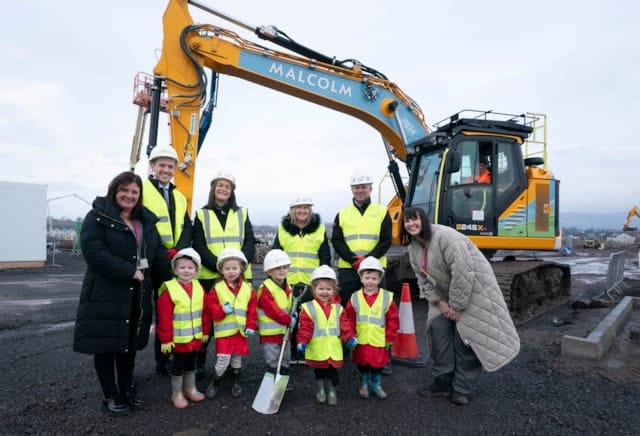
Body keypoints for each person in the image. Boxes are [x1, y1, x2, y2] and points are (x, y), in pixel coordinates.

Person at [73, 171, 172, 416]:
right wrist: (129, 271)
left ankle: (127, 389)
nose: (129, 195)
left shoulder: (145, 222)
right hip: (106, 293)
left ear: (139, 196)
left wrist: (171, 283)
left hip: (137, 293)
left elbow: (158, 254)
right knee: (106, 346)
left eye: (134, 192)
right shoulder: (97, 217)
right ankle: (110, 394)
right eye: (124, 190)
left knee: (128, 345)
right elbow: (94, 252)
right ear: (114, 191)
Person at [402, 206, 520, 406]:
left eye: (415, 219)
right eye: (407, 221)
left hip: (474, 292)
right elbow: (422, 279)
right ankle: (442, 382)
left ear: (424, 219)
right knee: (438, 333)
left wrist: (456, 306)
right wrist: (441, 304)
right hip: (443, 297)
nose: (411, 224)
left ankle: (462, 389)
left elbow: (463, 274)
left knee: (465, 340)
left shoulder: (447, 238)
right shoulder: (413, 248)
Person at [192, 170, 256, 376]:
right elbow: (199, 244)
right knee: (208, 321)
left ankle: (231, 364)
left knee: (235, 319)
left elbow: (248, 241)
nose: (223, 189)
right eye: (219, 185)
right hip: (210, 275)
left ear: (232, 191)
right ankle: (200, 361)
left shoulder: (242, 213)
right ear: (213, 188)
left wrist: (240, 265)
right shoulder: (202, 214)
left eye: (227, 186)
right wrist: (219, 266)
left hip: (238, 275)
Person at [142, 145, 193, 376]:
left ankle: (166, 358)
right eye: (161, 165)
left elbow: (186, 227)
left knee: (169, 310)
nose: (165, 169)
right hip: (151, 258)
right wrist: (162, 252)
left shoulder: (179, 196)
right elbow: (142, 224)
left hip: (173, 259)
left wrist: (180, 250)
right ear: (152, 166)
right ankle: (158, 359)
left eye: (169, 166)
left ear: (174, 169)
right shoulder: (141, 190)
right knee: (147, 310)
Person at [273, 195, 331, 364]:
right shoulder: (283, 229)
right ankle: (290, 351)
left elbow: (324, 255)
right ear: (292, 210)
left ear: (310, 210)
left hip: (310, 283)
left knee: (308, 318)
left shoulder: (319, 229)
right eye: (299, 207)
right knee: (289, 318)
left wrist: (323, 277)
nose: (302, 211)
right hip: (288, 282)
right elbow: (276, 254)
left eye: (306, 207)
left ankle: (306, 349)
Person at [156, 248, 208, 409]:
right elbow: (164, 317)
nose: (186, 270)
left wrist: (205, 331)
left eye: (190, 267)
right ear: (175, 270)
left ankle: (190, 388)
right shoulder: (169, 289)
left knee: (191, 364)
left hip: (195, 338)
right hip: (178, 341)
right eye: (182, 267)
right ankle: (176, 393)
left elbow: (205, 312)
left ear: (196, 270)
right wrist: (165, 339)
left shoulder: (199, 287)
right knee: (178, 366)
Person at [341, 257, 399, 400]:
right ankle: (364, 384)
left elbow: (393, 319)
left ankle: (376, 384)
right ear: (361, 278)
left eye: (374, 278)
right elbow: (347, 319)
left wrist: (390, 337)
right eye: (367, 278)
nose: (370, 281)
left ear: (380, 280)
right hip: (360, 340)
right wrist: (349, 335)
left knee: (377, 365)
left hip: (379, 340)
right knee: (362, 364)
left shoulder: (387, 298)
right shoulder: (354, 298)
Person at [331, 170, 392, 307]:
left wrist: (367, 260)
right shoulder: (342, 214)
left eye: (363, 187)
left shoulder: (382, 211)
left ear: (370, 189)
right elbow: (337, 240)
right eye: (356, 187)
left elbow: (385, 240)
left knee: (376, 306)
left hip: (375, 267)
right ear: (352, 190)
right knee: (348, 306)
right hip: (348, 268)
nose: (360, 190)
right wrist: (353, 260)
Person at [204, 247, 257, 399]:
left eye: (234, 268)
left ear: (241, 269)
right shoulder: (217, 288)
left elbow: (252, 310)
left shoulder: (248, 288)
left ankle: (236, 382)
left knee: (237, 358)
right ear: (221, 270)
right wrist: (222, 310)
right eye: (227, 268)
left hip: (240, 332)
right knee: (222, 359)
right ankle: (216, 380)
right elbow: (211, 310)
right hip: (224, 333)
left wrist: (251, 326)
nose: (231, 271)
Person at [296, 265, 343, 406]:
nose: (324, 292)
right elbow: (305, 327)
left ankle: (332, 391)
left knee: (332, 371)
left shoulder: (338, 308)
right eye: (321, 288)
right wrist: (302, 341)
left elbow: (345, 325)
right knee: (319, 371)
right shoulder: (309, 307)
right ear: (314, 289)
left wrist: (350, 337)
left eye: (328, 289)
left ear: (334, 290)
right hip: (317, 348)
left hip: (333, 348)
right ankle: (321, 391)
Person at [256, 249, 296, 375]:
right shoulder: (265, 288)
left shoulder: (288, 286)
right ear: (269, 271)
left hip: (285, 332)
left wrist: (293, 315)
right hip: (270, 333)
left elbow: (288, 306)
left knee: (285, 357)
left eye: (285, 267)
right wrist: (289, 320)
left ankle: (283, 379)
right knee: (273, 358)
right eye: (278, 268)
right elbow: (272, 310)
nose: (282, 270)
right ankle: (272, 377)